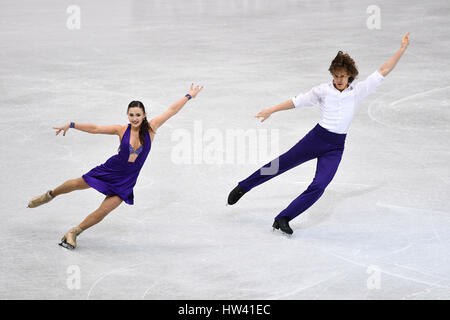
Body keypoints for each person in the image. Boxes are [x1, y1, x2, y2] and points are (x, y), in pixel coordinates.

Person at [228, 33, 410, 236]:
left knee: (320, 185)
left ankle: (284, 217)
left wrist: (401, 49)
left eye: (342, 76)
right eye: (336, 75)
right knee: (281, 164)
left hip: (335, 147)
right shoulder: (322, 91)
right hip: (316, 139)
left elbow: (384, 70)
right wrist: (272, 109)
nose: (339, 80)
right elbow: (296, 101)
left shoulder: (359, 91)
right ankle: (244, 186)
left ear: (350, 75)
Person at [28, 84, 204, 249]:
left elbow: (171, 111)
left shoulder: (151, 128)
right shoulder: (121, 130)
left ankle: (73, 232)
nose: (134, 118)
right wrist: (72, 125)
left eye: (138, 115)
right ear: (128, 115)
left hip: (126, 181)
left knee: (103, 211)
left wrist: (190, 96)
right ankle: (49, 195)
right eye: (131, 115)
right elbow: (95, 128)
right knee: (76, 184)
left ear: (144, 115)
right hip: (110, 170)